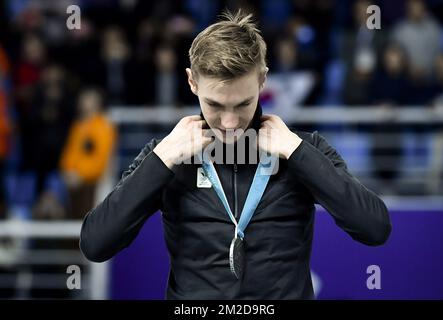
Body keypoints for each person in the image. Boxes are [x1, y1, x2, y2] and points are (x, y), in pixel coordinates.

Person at [80, 10, 391, 300]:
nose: (229, 123)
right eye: (215, 104)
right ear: (192, 82)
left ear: (262, 80)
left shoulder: (303, 148)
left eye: (243, 104)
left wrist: (298, 153)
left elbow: (375, 228)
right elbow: (95, 244)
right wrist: (161, 161)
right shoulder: (167, 155)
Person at [60, 88, 116, 219]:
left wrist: (81, 175)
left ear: (98, 102)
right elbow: (69, 153)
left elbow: (102, 159)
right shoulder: (78, 125)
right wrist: (68, 171)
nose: (83, 101)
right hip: (73, 180)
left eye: (88, 98)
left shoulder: (103, 125)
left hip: (93, 182)